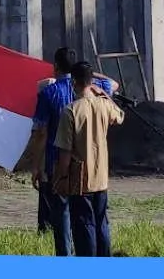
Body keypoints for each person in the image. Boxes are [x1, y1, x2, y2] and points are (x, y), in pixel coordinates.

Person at [30, 47, 117, 256]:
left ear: (56, 67)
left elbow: (41, 132)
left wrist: (36, 167)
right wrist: (90, 73)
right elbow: (114, 84)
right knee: (95, 218)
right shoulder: (94, 88)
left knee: (63, 219)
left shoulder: (49, 93)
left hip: (58, 162)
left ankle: (67, 260)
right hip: (91, 167)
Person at [53, 61, 125, 258]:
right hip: (101, 177)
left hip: (80, 180)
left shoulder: (70, 111)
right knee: (101, 223)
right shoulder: (104, 105)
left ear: (73, 82)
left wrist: (60, 178)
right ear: (91, 81)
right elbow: (119, 116)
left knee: (84, 226)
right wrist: (102, 94)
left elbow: (65, 153)